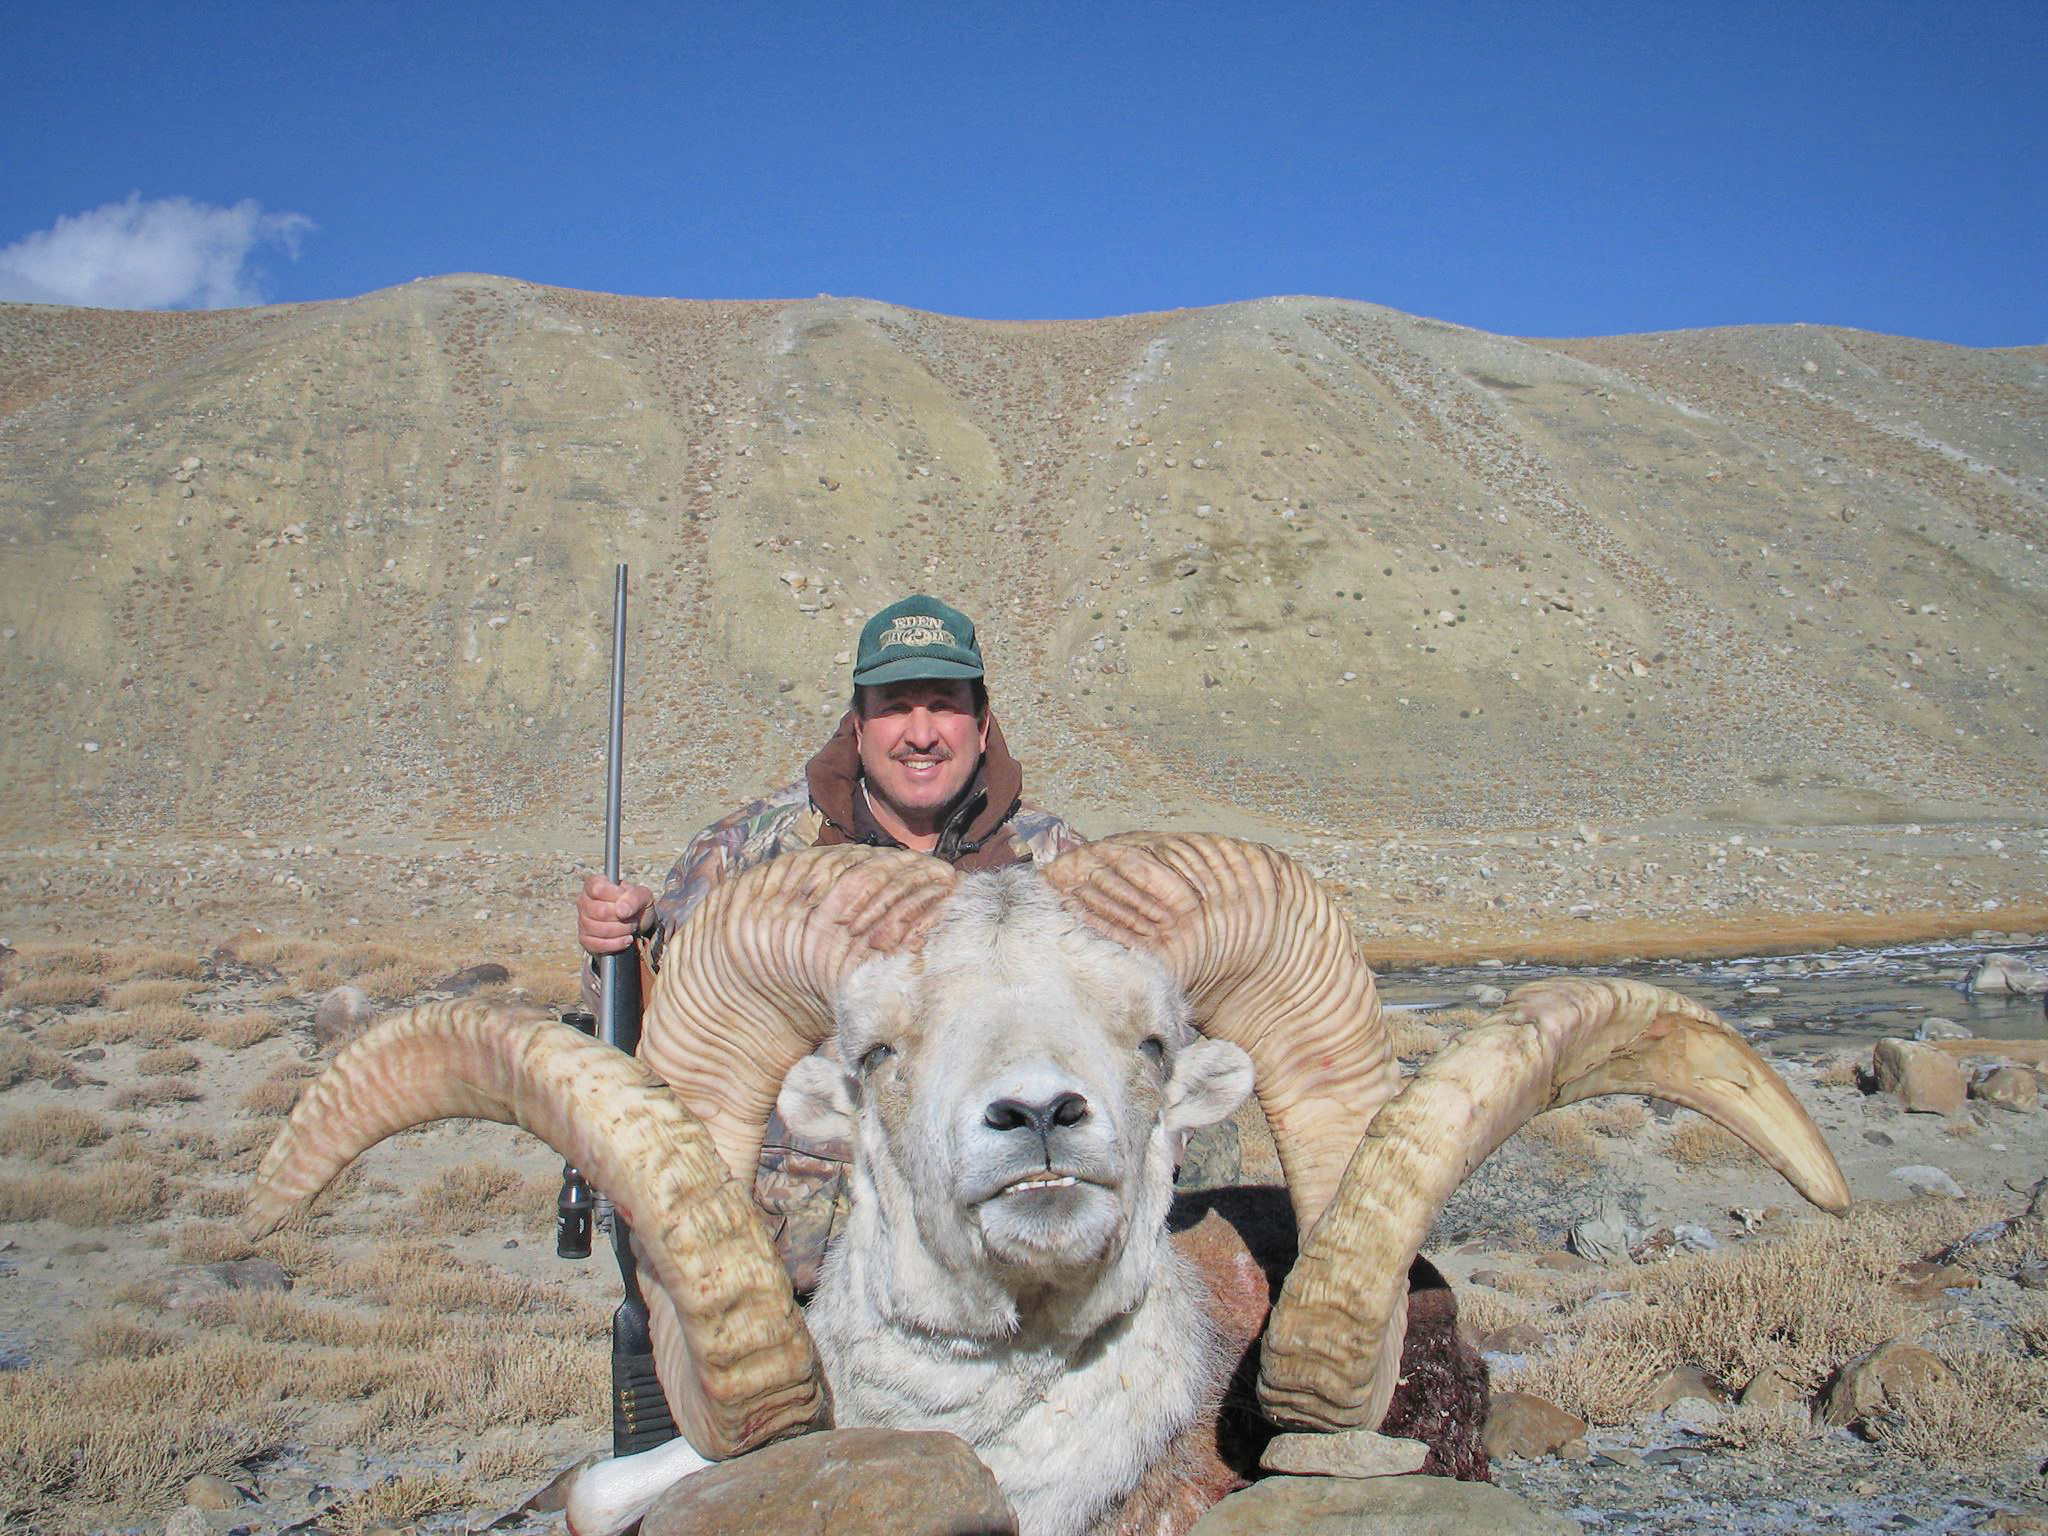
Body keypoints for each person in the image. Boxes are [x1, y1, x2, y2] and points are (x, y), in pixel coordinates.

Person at [577, 593, 1082, 1285]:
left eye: (944, 704)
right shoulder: (750, 852)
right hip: (791, 1271)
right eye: (896, 706)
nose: (922, 732)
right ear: (858, 723)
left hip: (995, 1278)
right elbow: (660, 1030)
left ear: (984, 723)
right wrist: (626, 947)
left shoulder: (1052, 865)